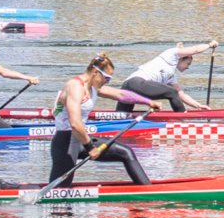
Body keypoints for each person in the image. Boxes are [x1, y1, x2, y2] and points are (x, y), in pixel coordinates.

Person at [49, 54, 154, 187]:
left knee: (126, 153)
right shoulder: (75, 87)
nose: (107, 82)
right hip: (65, 142)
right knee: (59, 191)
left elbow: (120, 94)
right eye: (107, 78)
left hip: (79, 139)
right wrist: (90, 147)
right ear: (95, 72)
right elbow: (75, 123)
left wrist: (148, 102)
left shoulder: (92, 87)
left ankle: (148, 190)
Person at [120, 41, 217, 112]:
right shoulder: (171, 54)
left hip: (126, 87)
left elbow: (181, 95)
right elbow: (195, 50)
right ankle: (181, 120)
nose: (188, 67)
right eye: (188, 64)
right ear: (181, 59)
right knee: (172, 92)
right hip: (135, 83)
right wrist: (209, 45)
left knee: (121, 117)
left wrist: (198, 106)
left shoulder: (171, 76)